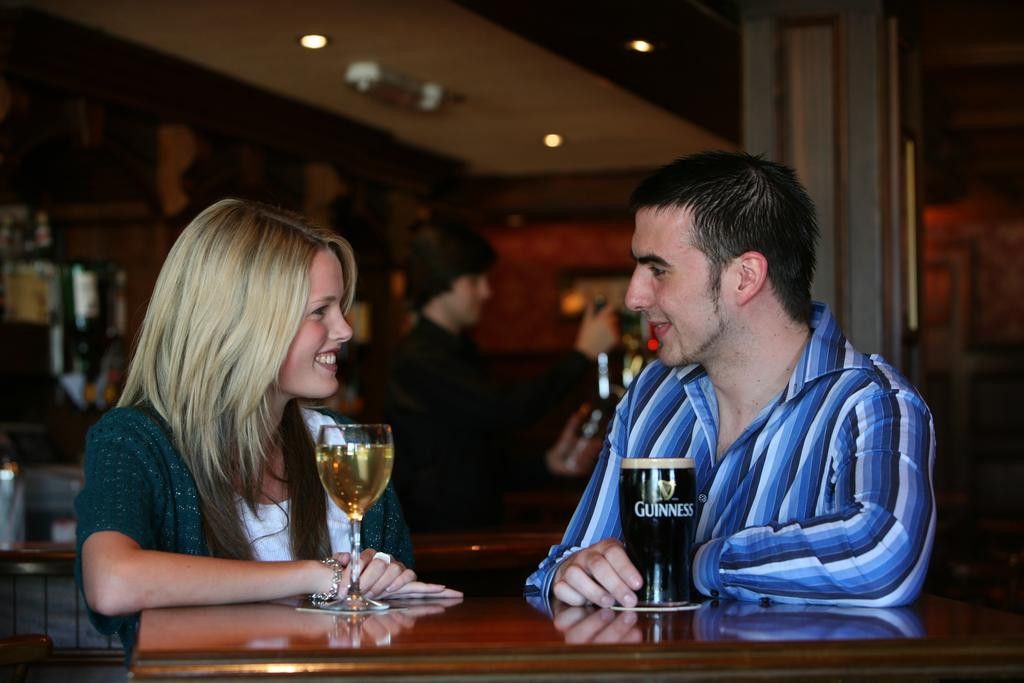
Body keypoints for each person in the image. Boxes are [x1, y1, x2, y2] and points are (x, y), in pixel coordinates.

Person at [526, 151, 936, 608]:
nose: (634, 297)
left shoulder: (871, 402)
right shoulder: (653, 393)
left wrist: (696, 561)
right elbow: (563, 564)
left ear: (744, 277)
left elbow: (884, 559)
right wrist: (573, 574)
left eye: (658, 270)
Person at [75, 199, 459, 655]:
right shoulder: (134, 440)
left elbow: (390, 630)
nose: (345, 329)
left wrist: (385, 582)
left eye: (340, 308)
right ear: (244, 323)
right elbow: (112, 583)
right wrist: (318, 575)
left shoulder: (342, 442)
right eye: (320, 311)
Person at [385, 219, 618, 531]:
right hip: (438, 537)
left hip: (469, 528)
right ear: (443, 282)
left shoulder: (457, 350)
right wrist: (582, 354)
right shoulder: (420, 358)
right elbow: (506, 410)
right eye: (475, 280)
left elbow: (476, 458)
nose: (486, 291)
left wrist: (547, 463)